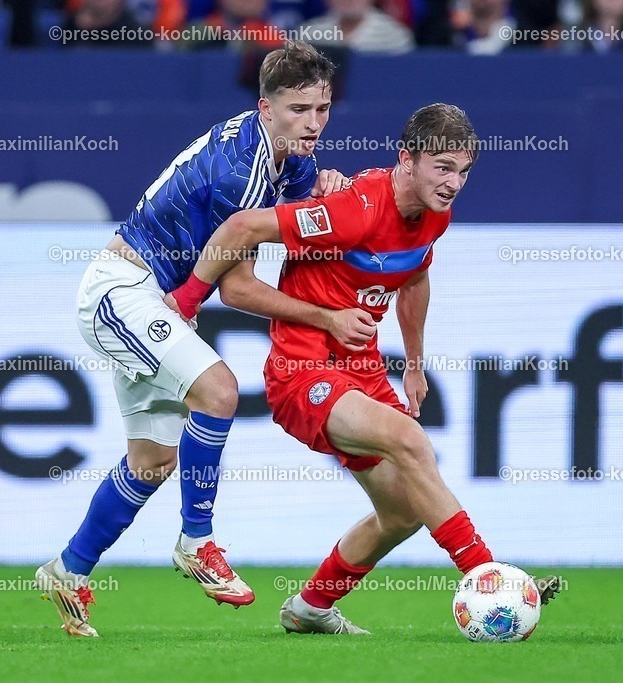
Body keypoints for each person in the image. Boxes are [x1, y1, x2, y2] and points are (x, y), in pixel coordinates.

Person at [168, 103, 562, 634]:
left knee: (403, 512)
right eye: (443, 168)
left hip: (364, 372)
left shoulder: (435, 215)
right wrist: (189, 297)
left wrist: (415, 364)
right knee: (411, 441)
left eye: (464, 171)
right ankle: (487, 575)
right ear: (407, 160)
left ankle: (309, 608)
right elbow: (242, 226)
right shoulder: (353, 210)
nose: (454, 183)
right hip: (302, 373)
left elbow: (414, 276)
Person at [36, 40, 378, 637]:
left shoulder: (288, 161)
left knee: (151, 463)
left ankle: (67, 571)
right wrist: (326, 319)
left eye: (322, 109)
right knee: (219, 391)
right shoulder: (240, 172)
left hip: (153, 300)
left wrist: (325, 194)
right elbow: (238, 288)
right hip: (124, 290)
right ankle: (197, 540)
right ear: (266, 107)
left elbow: (300, 228)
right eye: (299, 109)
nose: (313, 123)